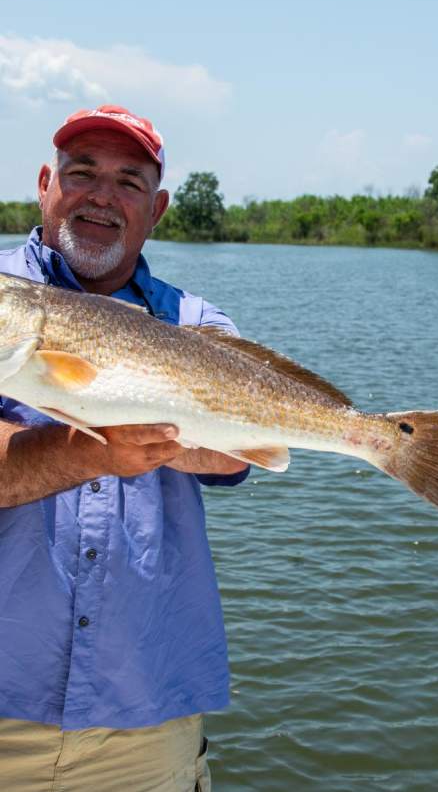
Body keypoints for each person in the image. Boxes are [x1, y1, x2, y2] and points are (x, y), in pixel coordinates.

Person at [0, 105, 250, 792]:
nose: (101, 196)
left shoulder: (199, 325)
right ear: (45, 183)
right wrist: (99, 449)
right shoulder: (4, 298)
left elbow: (234, 457)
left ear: (159, 207)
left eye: (129, 182)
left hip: (141, 714)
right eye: (81, 173)